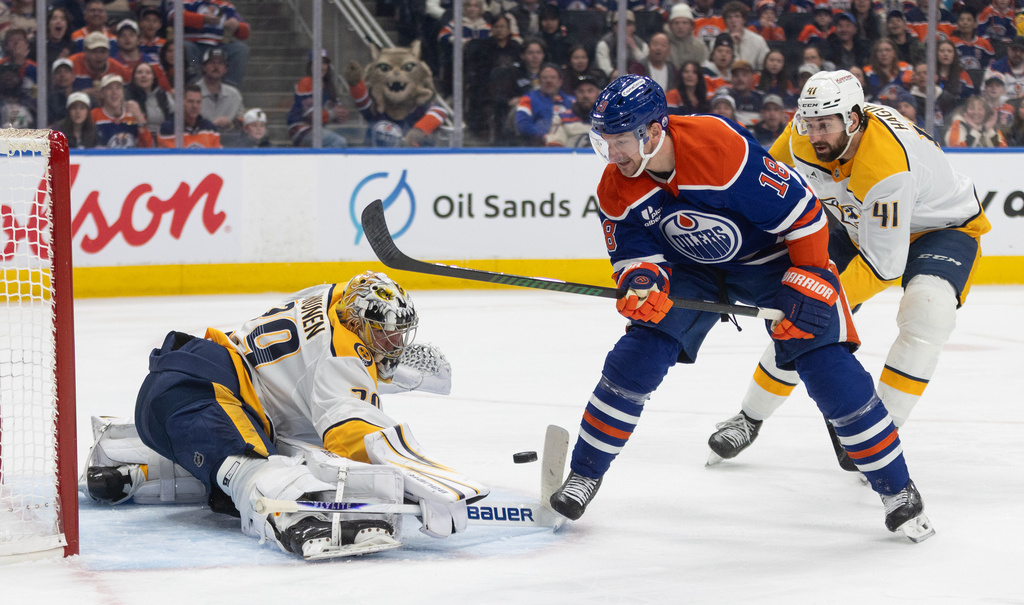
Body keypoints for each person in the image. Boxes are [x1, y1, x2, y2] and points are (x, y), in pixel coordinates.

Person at [548, 74, 935, 543]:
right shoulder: (616, 185)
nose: (613, 155)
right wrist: (642, 283)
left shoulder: (717, 147)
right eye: (603, 142)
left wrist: (810, 274)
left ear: (654, 131)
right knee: (637, 356)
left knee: (826, 364)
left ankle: (898, 490)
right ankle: (586, 473)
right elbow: (633, 255)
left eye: (622, 141)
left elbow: (805, 214)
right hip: (691, 270)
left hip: (770, 262)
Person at [706, 70, 990, 485]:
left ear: (854, 120)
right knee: (801, 321)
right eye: (809, 123)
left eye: (826, 125)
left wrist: (818, 299)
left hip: (941, 228)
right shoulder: (801, 136)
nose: (815, 134)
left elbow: (884, 265)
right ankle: (749, 417)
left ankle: (879, 433)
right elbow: (760, 191)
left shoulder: (885, 165)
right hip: (859, 226)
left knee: (927, 312)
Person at [91, 272, 486, 560]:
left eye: (399, 334)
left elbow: (315, 360)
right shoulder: (344, 354)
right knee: (254, 467)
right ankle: (297, 516)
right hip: (206, 393)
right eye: (385, 333)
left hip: (181, 388)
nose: (394, 342)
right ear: (358, 324)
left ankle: (133, 468)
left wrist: (392, 368)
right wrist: (419, 479)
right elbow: (349, 431)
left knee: (243, 456)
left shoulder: (332, 296)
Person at [169, 0, 251, 87]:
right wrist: (202, 19)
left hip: (219, 47)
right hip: (194, 45)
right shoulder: (186, 2)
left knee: (241, 49)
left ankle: (230, 87)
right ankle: (195, 86)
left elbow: (245, 33)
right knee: (184, 47)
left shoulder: (226, 6)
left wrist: (237, 26)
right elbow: (173, 16)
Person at [289, 49, 349, 148]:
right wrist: (332, 114)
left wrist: (342, 114)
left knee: (347, 137)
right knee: (339, 142)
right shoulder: (306, 82)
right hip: (301, 129)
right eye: (317, 62)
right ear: (311, 65)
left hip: (318, 129)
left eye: (324, 63)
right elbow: (312, 116)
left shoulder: (328, 86)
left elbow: (336, 110)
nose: (321, 66)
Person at [515, 62, 577, 145]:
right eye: (544, 78)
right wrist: (543, 136)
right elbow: (523, 124)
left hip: (570, 144)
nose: (548, 81)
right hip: (540, 146)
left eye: (553, 77)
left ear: (560, 81)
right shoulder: (528, 99)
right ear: (539, 81)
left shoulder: (572, 101)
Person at [91, 73, 153, 148]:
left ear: (123, 92)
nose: (114, 92)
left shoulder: (134, 113)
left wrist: (140, 119)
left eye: (118, 88)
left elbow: (148, 147)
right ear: (102, 93)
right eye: (109, 88)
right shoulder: (94, 115)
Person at [196, 48, 246, 138]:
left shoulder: (234, 94)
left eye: (220, 63)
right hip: (199, 143)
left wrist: (232, 125)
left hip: (228, 142)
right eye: (212, 63)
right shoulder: (193, 92)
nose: (216, 67)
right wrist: (210, 125)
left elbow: (243, 123)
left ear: (225, 69)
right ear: (204, 67)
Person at [70, 31, 131, 101]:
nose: (99, 56)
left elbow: (131, 93)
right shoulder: (71, 64)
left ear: (109, 52)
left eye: (103, 51)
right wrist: (82, 94)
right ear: (85, 51)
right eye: (94, 51)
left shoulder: (119, 70)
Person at [544, 72, 600, 146]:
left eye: (590, 91)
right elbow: (554, 149)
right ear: (575, 94)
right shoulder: (562, 119)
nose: (585, 95)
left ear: (598, 94)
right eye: (581, 91)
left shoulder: (610, 121)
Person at [158, 83, 222, 148]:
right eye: (190, 101)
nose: (195, 106)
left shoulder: (210, 128)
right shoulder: (168, 128)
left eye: (198, 102)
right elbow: (172, 156)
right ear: (181, 103)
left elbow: (218, 156)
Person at [594, 10, 648, 80]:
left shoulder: (642, 44)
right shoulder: (604, 44)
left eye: (628, 24)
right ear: (614, 27)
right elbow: (604, 67)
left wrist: (634, 46)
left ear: (634, 27)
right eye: (620, 24)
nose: (624, 28)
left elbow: (645, 64)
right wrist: (616, 73)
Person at [125, 61, 172, 137]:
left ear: (153, 77)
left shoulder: (163, 96)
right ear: (134, 77)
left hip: (162, 139)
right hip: (136, 139)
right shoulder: (126, 96)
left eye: (148, 73)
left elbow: (176, 117)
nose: (144, 76)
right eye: (139, 72)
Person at [944, 94, 1008, 146]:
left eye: (980, 109)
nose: (976, 112)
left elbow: (1003, 150)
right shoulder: (958, 125)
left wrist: (989, 131)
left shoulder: (990, 126)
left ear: (986, 112)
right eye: (972, 108)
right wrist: (975, 131)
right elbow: (956, 150)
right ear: (965, 111)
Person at [721, 1, 768, 71]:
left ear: (744, 20)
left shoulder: (758, 40)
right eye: (729, 17)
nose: (733, 20)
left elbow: (765, 66)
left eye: (737, 16)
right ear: (725, 21)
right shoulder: (719, 40)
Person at [664, 3, 707, 69]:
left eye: (685, 23)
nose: (680, 27)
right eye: (676, 23)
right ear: (670, 26)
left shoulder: (700, 48)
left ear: (691, 26)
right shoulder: (664, 46)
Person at [951, 8, 995, 72]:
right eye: (961, 20)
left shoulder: (985, 45)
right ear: (957, 23)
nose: (965, 23)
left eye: (969, 20)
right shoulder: (951, 43)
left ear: (975, 24)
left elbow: (991, 69)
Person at [984, 35, 1024, 100]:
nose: (1018, 54)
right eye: (1015, 50)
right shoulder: (995, 68)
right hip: (1001, 107)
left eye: (1022, 51)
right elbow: (985, 93)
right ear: (1009, 50)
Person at [0, 63, 35, 128]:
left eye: (12, 75)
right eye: (5, 76)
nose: (9, 77)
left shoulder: (28, 100)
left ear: (19, 78)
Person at [47, 58, 76, 124]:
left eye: (66, 71)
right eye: (59, 72)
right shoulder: (50, 100)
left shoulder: (79, 96)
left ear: (73, 76)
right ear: (53, 78)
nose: (63, 75)